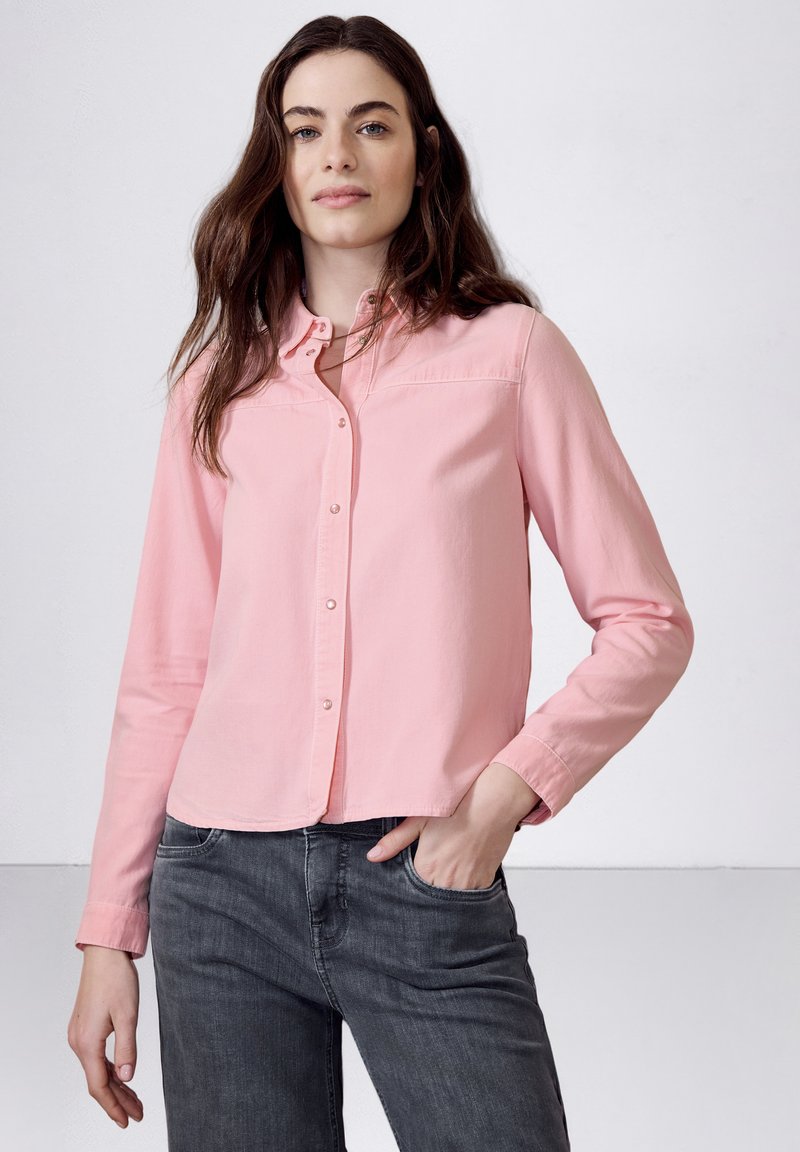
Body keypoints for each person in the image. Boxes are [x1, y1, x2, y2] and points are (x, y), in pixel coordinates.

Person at [67, 14, 694, 1151]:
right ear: (276, 161)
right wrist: (110, 931)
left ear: (423, 151)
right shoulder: (216, 383)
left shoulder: (510, 354)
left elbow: (646, 620)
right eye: (305, 129)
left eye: (371, 126)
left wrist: (500, 797)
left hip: (424, 880)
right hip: (217, 888)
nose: (337, 156)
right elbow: (165, 670)